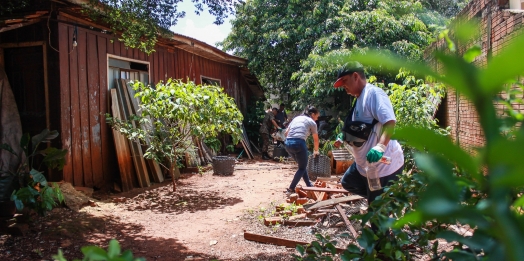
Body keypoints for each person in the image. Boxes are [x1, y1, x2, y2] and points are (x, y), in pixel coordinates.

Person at [333, 62, 404, 207]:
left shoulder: (373, 94)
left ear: (355, 76)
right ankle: (386, 201)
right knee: (348, 182)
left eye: (345, 81)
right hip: (363, 166)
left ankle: (382, 203)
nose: (343, 86)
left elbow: (390, 122)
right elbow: (358, 129)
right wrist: (343, 137)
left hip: (382, 167)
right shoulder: (358, 99)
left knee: (377, 219)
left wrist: (380, 147)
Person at [284, 105, 320, 193]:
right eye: (316, 116)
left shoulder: (296, 118)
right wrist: (316, 151)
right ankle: (291, 188)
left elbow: (286, 133)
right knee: (302, 168)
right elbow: (316, 139)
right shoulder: (312, 122)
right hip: (299, 143)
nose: (317, 119)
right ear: (312, 114)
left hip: (288, 143)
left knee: (302, 167)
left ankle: (308, 184)